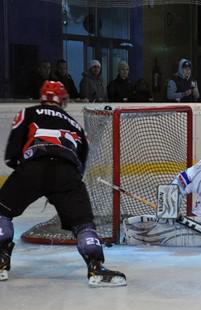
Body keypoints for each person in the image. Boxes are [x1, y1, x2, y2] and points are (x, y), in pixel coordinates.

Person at [0, 81, 126, 287]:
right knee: (84, 224)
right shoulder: (75, 124)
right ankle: (96, 267)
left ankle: (1, 260)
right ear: (64, 100)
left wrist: (29, 176)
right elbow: (81, 167)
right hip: (67, 172)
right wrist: (60, 186)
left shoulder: (28, 112)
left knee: (2, 212)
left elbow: (11, 156)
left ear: (42, 96)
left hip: (33, 166)